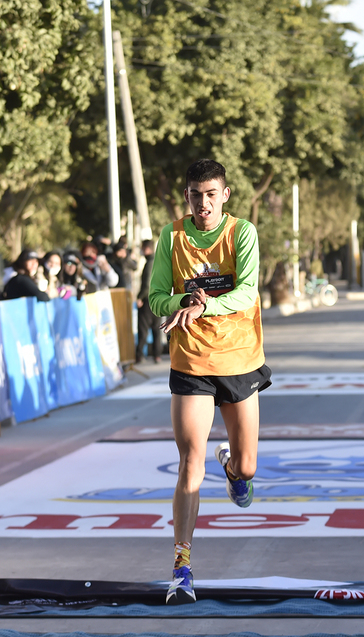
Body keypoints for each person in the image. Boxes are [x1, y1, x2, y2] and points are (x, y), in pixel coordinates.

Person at [148, 159, 269, 605]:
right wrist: (183, 300)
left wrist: (205, 306)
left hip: (238, 358)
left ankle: (235, 471)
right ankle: (182, 567)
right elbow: (157, 297)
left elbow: (248, 292)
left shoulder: (242, 233)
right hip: (191, 360)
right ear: (187, 196)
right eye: (196, 195)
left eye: (211, 194)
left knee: (250, 467)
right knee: (188, 463)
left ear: (226, 195)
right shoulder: (172, 236)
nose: (203, 203)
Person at [136, 239, 164, 363]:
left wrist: (140, 297)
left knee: (143, 329)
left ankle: (139, 355)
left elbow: (147, 283)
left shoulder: (149, 263)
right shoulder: (158, 261)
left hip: (148, 300)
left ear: (147, 248)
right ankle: (157, 355)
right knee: (156, 329)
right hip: (158, 299)